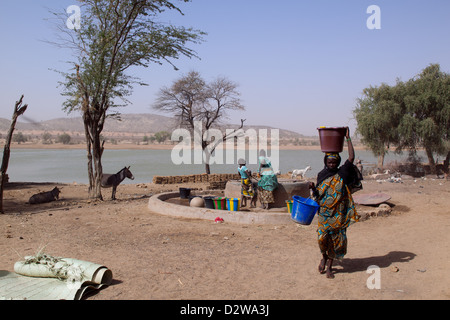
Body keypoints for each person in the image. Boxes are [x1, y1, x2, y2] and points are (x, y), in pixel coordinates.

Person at [308, 127, 360, 279]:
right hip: (324, 214)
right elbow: (318, 195)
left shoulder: (342, 173)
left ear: (337, 163)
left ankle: (329, 266)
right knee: (322, 238)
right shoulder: (321, 175)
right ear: (326, 162)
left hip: (338, 214)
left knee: (335, 241)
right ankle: (323, 256)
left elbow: (351, 157)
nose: (331, 165)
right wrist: (312, 188)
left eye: (334, 163)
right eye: (329, 162)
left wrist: (348, 138)